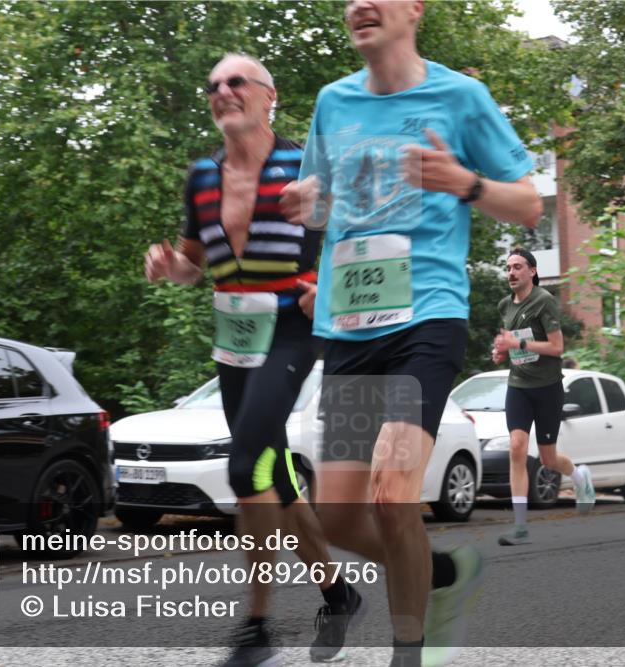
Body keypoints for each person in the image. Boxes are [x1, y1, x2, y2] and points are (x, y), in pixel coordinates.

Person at [280, 2, 543, 665]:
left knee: (393, 493)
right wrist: (306, 204)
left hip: (425, 317)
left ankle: (409, 650)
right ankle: (442, 572)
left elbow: (529, 200)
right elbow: (324, 199)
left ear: (413, 9)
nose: (359, 4)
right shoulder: (332, 102)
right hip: (348, 327)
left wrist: (465, 181)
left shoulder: (460, 96)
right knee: (337, 515)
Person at [144, 53, 362, 667]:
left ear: (269, 96)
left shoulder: (307, 166)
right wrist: (170, 268)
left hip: (294, 325)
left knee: (246, 468)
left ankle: (258, 627)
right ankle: (337, 592)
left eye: (236, 81)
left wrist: (334, 287)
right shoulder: (202, 177)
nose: (222, 91)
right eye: (213, 84)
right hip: (234, 334)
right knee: (276, 478)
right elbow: (192, 263)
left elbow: (358, 238)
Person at [491, 248, 595, 546]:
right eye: (508, 267)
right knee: (516, 448)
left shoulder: (544, 301)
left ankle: (579, 477)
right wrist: (500, 351)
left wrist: (518, 342)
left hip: (548, 388)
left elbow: (557, 347)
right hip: (518, 386)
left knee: (548, 459)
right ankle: (520, 526)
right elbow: (507, 345)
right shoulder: (504, 306)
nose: (511, 273)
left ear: (532, 272)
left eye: (518, 267)